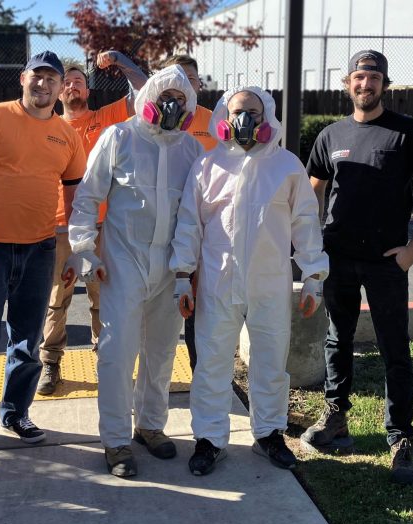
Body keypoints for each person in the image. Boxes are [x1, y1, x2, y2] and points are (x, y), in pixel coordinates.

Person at [301, 50, 413, 485]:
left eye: (374, 78)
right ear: (348, 83)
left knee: (394, 350)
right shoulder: (330, 135)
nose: (366, 85)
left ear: (384, 85)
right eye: (359, 77)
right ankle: (336, 420)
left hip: (386, 263)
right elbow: (311, 199)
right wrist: (313, 253)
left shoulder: (408, 133)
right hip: (338, 259)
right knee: (336, 340)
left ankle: (401, 439)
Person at [171, 86, 329, 475]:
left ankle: (269, 435)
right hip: (216, 283)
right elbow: (189, 224)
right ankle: (209, 439)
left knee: (271, 361)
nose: (245, 120)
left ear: (267, 118)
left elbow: (305, 222)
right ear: (224, 116)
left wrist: (313, 276)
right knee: (211, 363)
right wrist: (181, 275)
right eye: (238, 111)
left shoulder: (286, 165)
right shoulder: (207, 166)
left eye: (253, 113)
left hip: (269, 284)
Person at [65, 65, 204, 478]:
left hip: (168, 265)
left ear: (190, 105)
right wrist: (84, 249)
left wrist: (184, 271)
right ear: (149, 97)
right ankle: (116, 441)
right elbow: (88, 196)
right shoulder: (119, 136)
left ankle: (150, 425)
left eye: (181, 100)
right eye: (166, 96)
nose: (172, 105)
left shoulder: (190, 150)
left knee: (162, 350)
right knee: (117, 351)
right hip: (123, 261)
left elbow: (191, 217)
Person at [0, 51, 87, 455]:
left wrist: (78, 249)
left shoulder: (67, 135)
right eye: (37, 75)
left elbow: (76, 195)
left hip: (40, 249)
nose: (43, 84)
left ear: (61, 86)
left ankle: (15, 412)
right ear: (22, 78)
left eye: (52, 78)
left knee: (27, 340)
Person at [36, 51, 148, 395]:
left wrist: (122, 62)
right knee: (58, 299)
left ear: (88, 89)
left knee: (103, 297)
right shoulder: (45, 127)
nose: (72, 86)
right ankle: (50, 363)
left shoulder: (107, 119)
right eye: (66, 82)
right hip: (59, 227)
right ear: (57, 91)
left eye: (78, 81)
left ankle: (106, 360)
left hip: (103, 226)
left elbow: (143, 92)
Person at [157, 54, 219, 372]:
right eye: (175, 79)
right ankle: (151, 380)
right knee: (155, 318)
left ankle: (199, 375)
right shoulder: (146, 128)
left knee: (196, 309)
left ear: (197, 86)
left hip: (201, 232)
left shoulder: (215, 120)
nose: (183, 85)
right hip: (157, 235)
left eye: (190, 80)